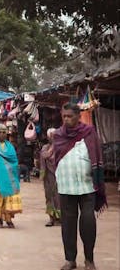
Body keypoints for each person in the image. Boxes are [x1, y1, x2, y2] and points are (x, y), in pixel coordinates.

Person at [53, 103, 106, 270]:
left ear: (78, 116)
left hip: (87, 185)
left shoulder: (89, 133)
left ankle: (89, 260)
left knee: (88, 221)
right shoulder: (58, 135)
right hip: (66, 185)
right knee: (68, 224)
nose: (67, 119)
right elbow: (56, 157)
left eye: (70, 116)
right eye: (64, 116)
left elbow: (97, 154)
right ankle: (70, 259)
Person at [40, 128, 61, 227]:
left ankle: (60, 218)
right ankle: (51, 218)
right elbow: (44, 156)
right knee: (49, 197)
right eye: (51, 136)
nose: (53, 138)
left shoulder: (61, 147)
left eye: (54, 135)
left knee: (59, 197)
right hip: (48, 177)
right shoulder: (45, 147)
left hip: (60, 176)